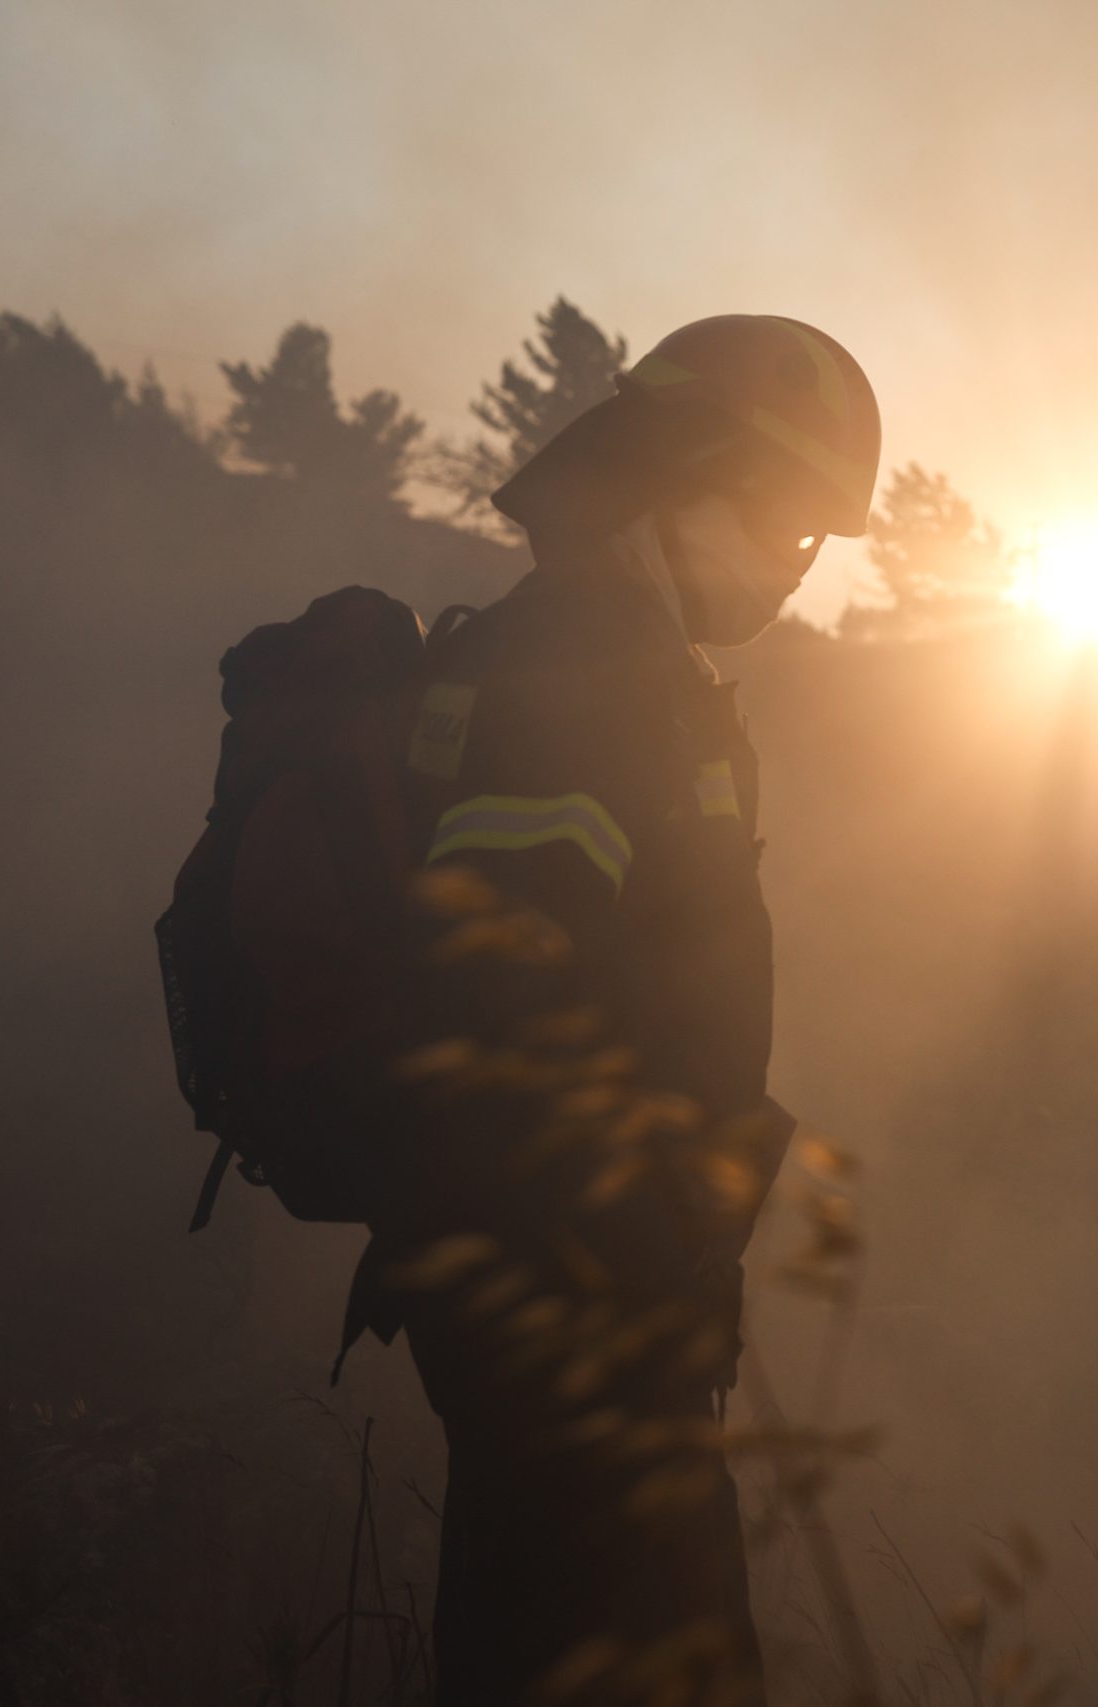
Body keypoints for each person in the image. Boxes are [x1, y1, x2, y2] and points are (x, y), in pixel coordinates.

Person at [353, 315, 880, 1706]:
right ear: (683, 472)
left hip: (589, 1310)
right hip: (574, 1325)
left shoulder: (627, 662)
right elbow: (510, 991)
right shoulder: (585, 669)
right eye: (784, 520)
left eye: (818, 542)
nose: (795, 565)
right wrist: (635, 1261)